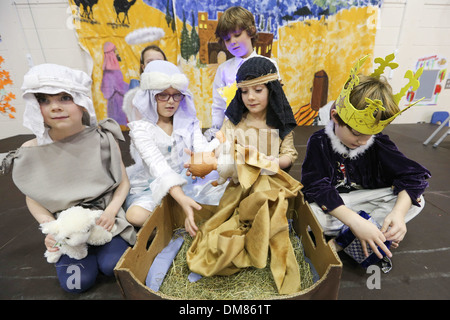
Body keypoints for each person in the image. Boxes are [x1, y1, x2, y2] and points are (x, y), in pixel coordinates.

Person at [3, 63, 136, 293]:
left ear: (81, 102)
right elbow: (33, 197)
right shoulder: (31, 150)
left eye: (65, 98)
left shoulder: (103, 139)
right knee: (77, 285)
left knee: (113, 266)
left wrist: (112, 211)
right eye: (45, 100)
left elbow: (123, 182)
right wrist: (50, 227)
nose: (55, 107)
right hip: (66, 224)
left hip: (103, 215)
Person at [185, 56, 302, 295]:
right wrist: (206, 160)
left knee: (266, 210)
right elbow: (220, 151)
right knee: (220, 227)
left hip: (269, 183)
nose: (251, 97)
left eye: (258, 90)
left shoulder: (280, 123)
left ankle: (257, 247)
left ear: (272, 89)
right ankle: (229, 250)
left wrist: (269, 161)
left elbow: (289, 155)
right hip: (237, 184)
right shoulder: (235, 122)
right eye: (245, 91)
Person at [301, 54, 431, 261]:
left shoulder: (377, 142)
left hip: (366, 201)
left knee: (416, 200)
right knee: (309, 216)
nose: (362, 141)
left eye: (368, 134)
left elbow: (414, 176)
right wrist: (356, 221)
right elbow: (315, 186)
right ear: (335, 116)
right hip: (338, 206)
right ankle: (366, 230)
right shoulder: (320, 141)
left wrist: (398, 215)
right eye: (356, 133)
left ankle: (346, 239)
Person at [124, 60, 228, 236]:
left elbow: (203, 151)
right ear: (151, 96)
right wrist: (181, 198)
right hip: (155, 184)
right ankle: (183, 211)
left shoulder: (189, 122)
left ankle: (179, 214)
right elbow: (159, 167)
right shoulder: (141, 129)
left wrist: (220, 140)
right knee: (135, 215)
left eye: (176, 95)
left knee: (228, 188)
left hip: (188, 178)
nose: (170, 102)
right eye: (163, 95)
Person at [205, 6, 280, 140]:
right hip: (231, 133)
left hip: (261, 133)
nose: (233, 42)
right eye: (227, 39)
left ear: (251, 31)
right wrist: (215, 129)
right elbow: (218, 105)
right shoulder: (223, 69)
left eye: (237, 35)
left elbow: (276, 102)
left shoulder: (269, 65)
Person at [123, 45, 167, 122]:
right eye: (150, 62)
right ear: (143, 67)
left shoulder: (174, 89)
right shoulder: (136, 94)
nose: (154, 65)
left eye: (159, 61)